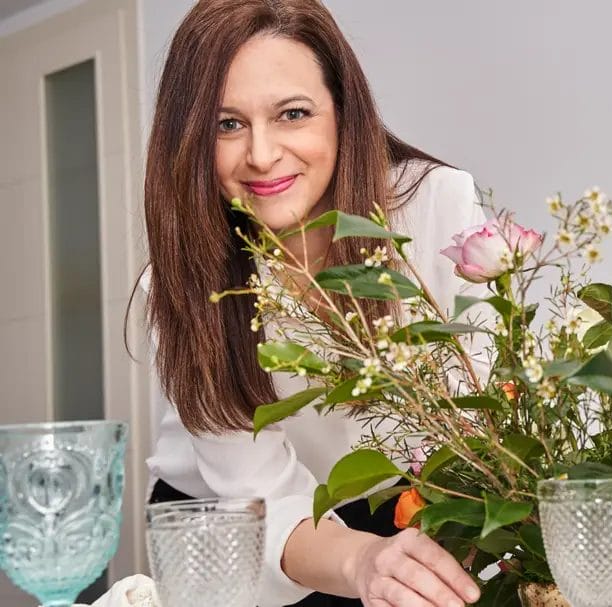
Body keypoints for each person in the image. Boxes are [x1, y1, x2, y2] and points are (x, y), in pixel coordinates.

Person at [141, 1, 484, 605]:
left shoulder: (433, 207)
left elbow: (484, 419)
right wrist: (362, 561)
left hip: (394, 513)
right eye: (226, 125)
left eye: (292, 114)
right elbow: (261, 497)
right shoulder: (184, 280)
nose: (263, 155)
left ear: (342, 114)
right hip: (233, 522)